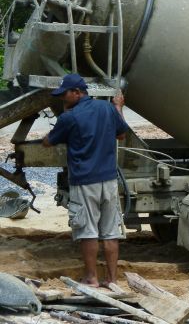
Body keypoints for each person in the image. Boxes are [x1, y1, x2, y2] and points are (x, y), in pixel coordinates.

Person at [42, 73, 128, 287]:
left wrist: (57, 126)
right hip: (108, 180)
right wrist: (119, 107)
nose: (62, 98)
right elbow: (121, 135)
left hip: (84, 181)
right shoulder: (107, 108)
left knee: (87, 231)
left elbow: (48, 142)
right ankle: (112, 279)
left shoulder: (69, 118)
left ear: (77, 93)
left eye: (64, 94)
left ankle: (91, 277)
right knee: (110, 232)